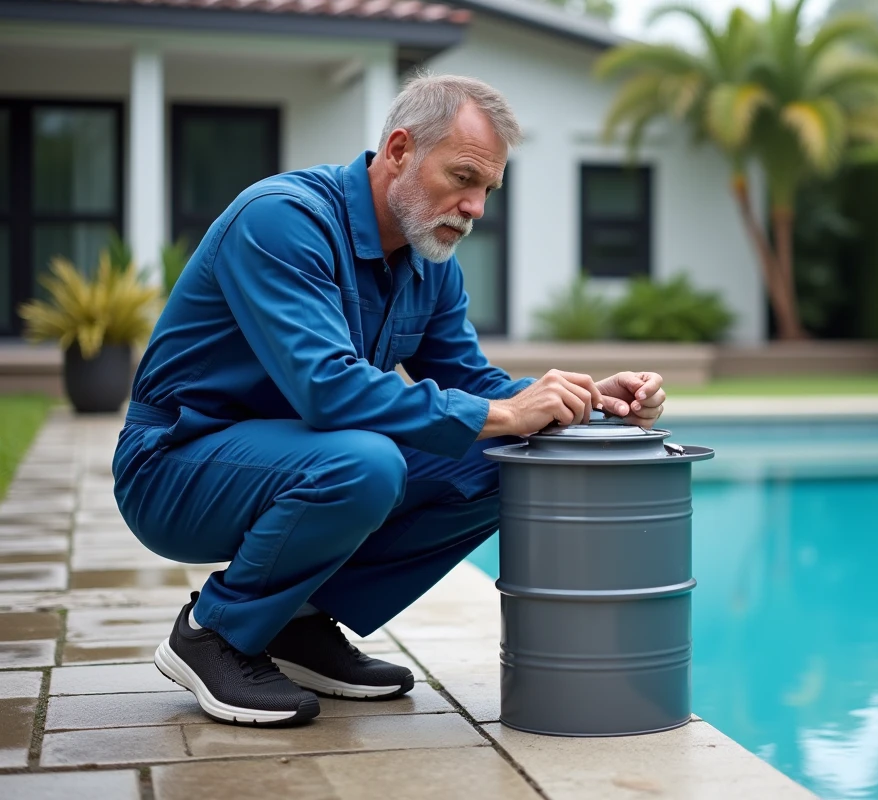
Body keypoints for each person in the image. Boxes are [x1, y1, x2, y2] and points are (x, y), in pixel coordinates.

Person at [112, 73, 666, 727]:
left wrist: (581, 398)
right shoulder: (282, 220)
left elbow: (472, 382)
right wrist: (501, 412)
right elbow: (328, 388)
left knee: (512, 453)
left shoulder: (431, 264)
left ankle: (296, 623)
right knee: (365, 462)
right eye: (463, 177)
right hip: (176, 465)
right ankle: (215, 634)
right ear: (400, 150)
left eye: (487, 189)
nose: (476, 207)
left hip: (304, 457)